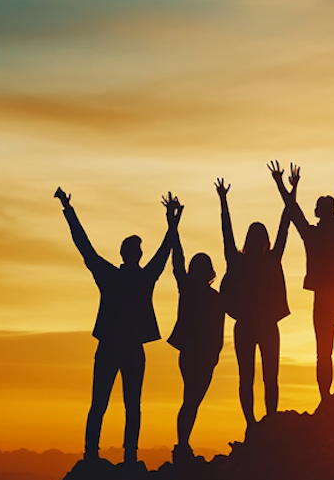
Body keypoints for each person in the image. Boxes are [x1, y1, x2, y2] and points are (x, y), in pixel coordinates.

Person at [55, 187, 180, 465]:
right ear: (133, 254)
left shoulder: (112, 276)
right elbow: (163, 253)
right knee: (125, 406)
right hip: (127, 348)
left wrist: (68, 209)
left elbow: (84, 246)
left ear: (124, 254)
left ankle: (98, 455)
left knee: (106, 404)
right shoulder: (140, 277)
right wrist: (172, 223)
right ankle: (122, 456)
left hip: (114, 347)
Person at [271, 156, 334, 401]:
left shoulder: (317, 232)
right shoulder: (323, 230)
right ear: (328, 211)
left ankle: (329, 396)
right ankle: (329, 396)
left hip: (333, 297)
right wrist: (285, 186)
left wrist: (286, 186)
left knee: (330, 351)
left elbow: (296, 212)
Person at [217, 177, 293, 434]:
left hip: (249, 326)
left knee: (250, 377)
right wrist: (290, 192)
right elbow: (285, 228)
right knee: (266, 377)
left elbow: (227, 236)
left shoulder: (239, 261)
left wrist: (223, 201)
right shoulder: (268, 259)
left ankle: (257, 423)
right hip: (261, 326)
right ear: (263, 241)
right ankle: (260, 422)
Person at [167, 237, 225, 463]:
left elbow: (178, 264)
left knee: (191, 400)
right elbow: (177, 263)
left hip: (199, 355)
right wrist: (174, 230)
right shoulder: (197, 292)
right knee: (191, 400)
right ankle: (181, 446)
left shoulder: (197, 292)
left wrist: (174, 229)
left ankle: (182, 445)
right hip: (198, 355)